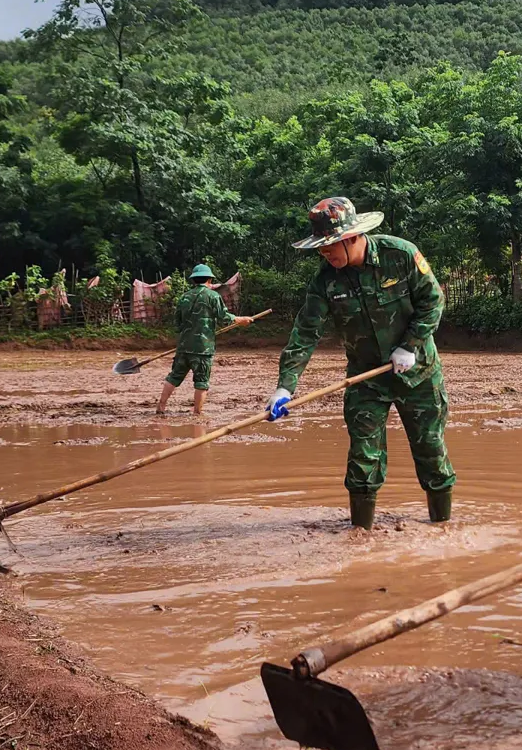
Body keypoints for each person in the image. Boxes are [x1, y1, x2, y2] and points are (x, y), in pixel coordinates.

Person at [268, 196, 454, 530]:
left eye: (331, 247)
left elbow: (433, 301)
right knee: (363, 460)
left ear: (353, 236)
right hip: (366, 380)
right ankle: (360, 536)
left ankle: (442, 528)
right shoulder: (325, 282)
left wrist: (410, 345)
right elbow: (305, 333)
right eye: (321, 249)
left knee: (431, 453)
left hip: (419, 373)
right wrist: (285, 387)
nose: (326, 254)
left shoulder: (400, 255)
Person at [157, 263, 253, 418]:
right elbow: (224, 316)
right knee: (201, 382)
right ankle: (197, 413)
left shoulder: (184, 297)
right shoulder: (213, 296)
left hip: (183, 346)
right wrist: (240, 320)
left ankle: (161, 406)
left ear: (194, 280)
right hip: (203, 348)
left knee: (174, 377)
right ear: (209, 279)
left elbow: (178, 324)